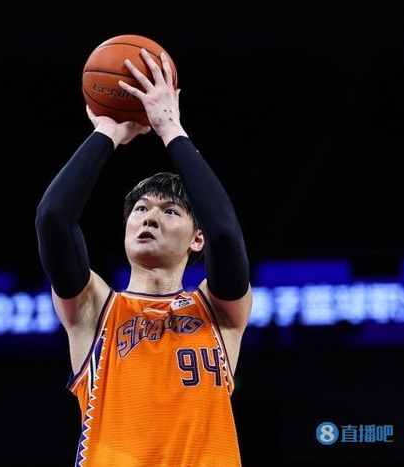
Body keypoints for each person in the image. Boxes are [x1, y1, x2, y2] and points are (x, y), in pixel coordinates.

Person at [35, 48, 252, 466]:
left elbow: (226, 233)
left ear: (197, 239)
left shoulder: (218, 311)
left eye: (170, 211)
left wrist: (170, 128)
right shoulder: (94, 309)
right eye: (140, 209)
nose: (150, 217)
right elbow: (53, 218)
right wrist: (108, 131)